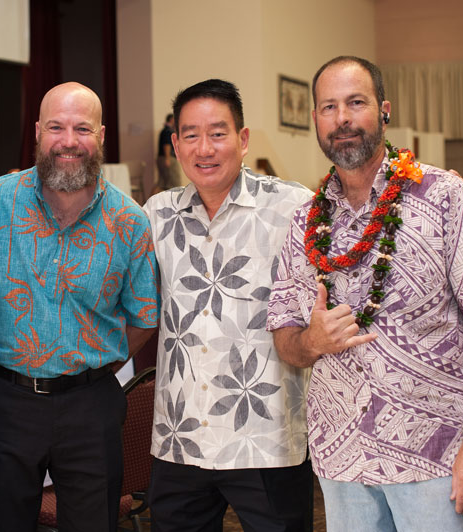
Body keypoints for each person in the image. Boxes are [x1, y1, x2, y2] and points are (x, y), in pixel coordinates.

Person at [267, 56, 463, 532]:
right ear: (315, 120)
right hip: (342, 456)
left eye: (355, 103)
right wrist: (312, 342)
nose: (342, 119)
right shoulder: (305, 221)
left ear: (383, 111)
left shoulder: (444, 195)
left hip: (438, 455)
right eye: (328, 107)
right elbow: (286, 340)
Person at [0, 81, 159, 532]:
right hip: (5, 401)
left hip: (90, 405)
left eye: (82, 128)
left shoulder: (130, 221)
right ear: (38, 132)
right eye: (56, 127)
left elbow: (143, 317)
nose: (68, 141)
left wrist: (90, 365)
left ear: (101, 135)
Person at [143, 79, 314, 531]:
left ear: (242, 139)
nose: (205, 148)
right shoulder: (156, 214)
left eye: (218, 133)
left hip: (266, 437)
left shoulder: (293, 207)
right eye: (191, 135)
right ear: (176, 145)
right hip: (181, 437)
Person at [155, 113, 181, 192]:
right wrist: (167, 158)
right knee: (173, 184)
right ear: (171, 120)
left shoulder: (164, 130)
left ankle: (148, 202)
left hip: (162, 158)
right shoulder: (168, 131)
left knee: (161, 184)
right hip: (168, 158)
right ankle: (175, 203)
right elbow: (167, 145)